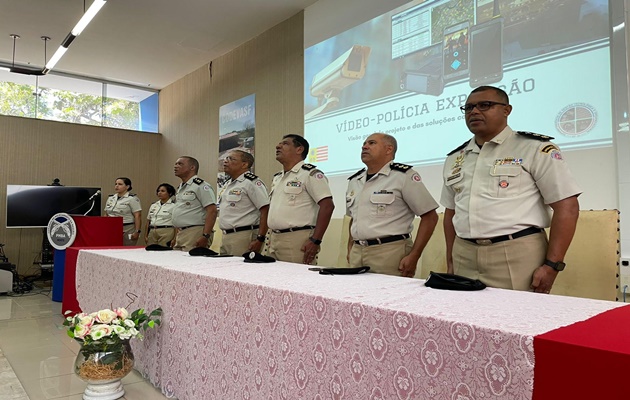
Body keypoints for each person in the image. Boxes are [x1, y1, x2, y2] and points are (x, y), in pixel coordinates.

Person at [441, 85, 581, 293]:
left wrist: (552, 265)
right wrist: (451, 258)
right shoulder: (455, 158)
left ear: (507, 110)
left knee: (518, 320)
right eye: (468, 108)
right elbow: (451, 212)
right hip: (464, 253)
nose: (474, 112)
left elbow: (567, 207)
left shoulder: (534, 148)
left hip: (517, 252)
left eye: (485, 105)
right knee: (464, 319)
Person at [346, 133, 439, 277]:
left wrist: (414, 255)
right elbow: (354, 217)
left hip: (390, 252)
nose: (364, 146)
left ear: (389, 149)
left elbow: (430, 216)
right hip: (358, 252)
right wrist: (350, 246)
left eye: (371, 143)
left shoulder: (403, 176)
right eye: (364, 144)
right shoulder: (355, 181)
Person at [267, 134, 334, 264]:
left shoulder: (310, 174)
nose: (278, 146)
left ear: (299, 150)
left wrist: (316, 240)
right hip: (274, 238)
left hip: (297, 239)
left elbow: (327, 206)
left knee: (297, 282)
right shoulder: (277, 178)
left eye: (285, 144)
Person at [218, 150, 269, 255]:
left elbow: (265, 210)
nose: (225, 161)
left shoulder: (251, 182)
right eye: (226, 158)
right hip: (226, 236)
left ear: (244, 164)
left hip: (243, 236)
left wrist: (260, 238)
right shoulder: (228, 183)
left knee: (240, 270)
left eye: (231, 159)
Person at [172, 156, 217, 251]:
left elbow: (212, 211)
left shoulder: (201, 186)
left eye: (180, 164)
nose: (176, 166)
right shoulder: (181, 187)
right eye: (176, 164)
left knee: (189, 264)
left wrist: (205, 235)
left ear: (192, 168)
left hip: (195, 232)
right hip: (181, 233)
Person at [104, 177, 142, 246]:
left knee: (127, 250)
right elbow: (106, 214)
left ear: (127, 186)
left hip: (127, 228)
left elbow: (137, 216)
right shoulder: (111, 198)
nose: (117, 186)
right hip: (111, 228)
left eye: (120, 184)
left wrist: (137, 231)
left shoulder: (132, 198)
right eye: (116, 184)